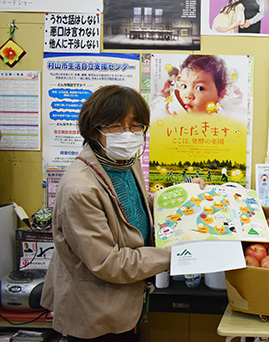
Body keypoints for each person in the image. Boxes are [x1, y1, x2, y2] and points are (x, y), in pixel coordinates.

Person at [40, 85, 205, 341]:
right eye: (116, 126)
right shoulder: (80, 189)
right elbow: (109, 262)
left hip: (128, 299)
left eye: (136, 125)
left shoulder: (124, 160)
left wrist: (184, 195)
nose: (128, 134)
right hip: (95, 311)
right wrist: (179, 255)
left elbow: (138, 204)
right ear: (94, 131)